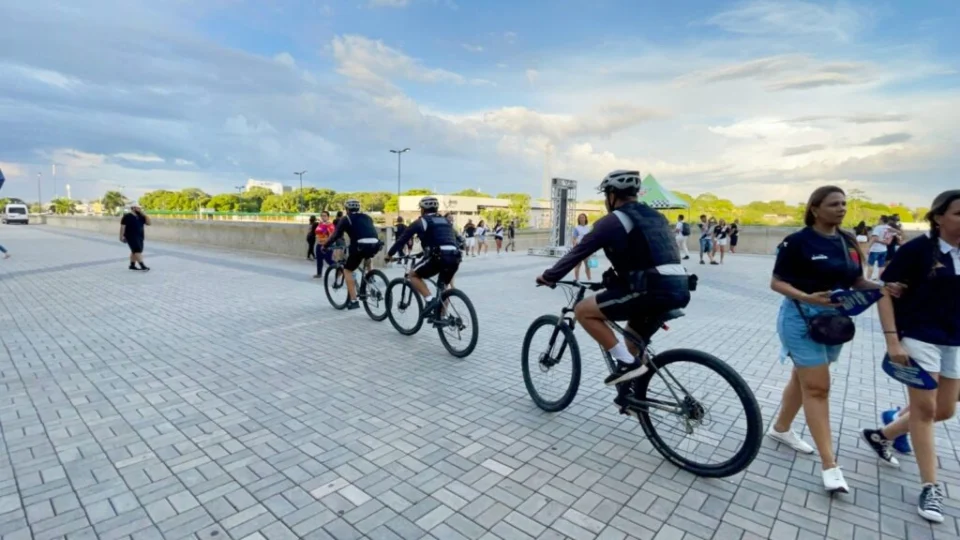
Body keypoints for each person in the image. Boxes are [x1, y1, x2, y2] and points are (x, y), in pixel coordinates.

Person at [766, 186, 885, 494]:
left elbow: (856, 280)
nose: (841, 208)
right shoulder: (797, 241)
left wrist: (884, 287)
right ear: (815, 209)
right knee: (818, 387)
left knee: (805, 377)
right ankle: (830, 464)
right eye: (834, 204)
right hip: (800, 317)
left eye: (844, 203)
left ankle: (780, 429)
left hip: (834, 321)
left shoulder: (847, 241)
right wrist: (807, 297)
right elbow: (776, 282)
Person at [536, 170, 690, 393]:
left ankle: (628, 364)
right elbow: (649, 253)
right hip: (679, 287)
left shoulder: (613, 221)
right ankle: (636, 399)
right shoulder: (656, 217)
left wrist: (548, 276)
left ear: (612, 195)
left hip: (649, 289)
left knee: (583, 310)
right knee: (632, 343)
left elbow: (577, 253)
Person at [860, 190, 960, 523]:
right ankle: (931, 487)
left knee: (945, 409)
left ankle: (881, 435)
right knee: (925, 409)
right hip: (919, 336)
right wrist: (892, 340)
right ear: (938, 217)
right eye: (959, 213)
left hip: (954, 340)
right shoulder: (918, 250)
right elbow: (884, 291)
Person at [387, 197, 462, 317]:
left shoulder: (421, 222)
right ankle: (441, 317)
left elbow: (402, 240)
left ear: (422, 209)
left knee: (413, 275)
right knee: (443, 288)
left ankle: (429, 300)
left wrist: (389, 254)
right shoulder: (445, 221)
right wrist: (424, 252)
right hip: (455, 256)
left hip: (438, 256)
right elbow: (452, 239)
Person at [322, 200, 382, 310]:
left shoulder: (346, 219)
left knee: (347, 270)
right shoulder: (367, 217)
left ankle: (354, 300)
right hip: (375, 244)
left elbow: (335, 235)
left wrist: (325, 246)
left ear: (346, 209)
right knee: (367, 256)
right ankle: (371, 276)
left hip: (360, 246)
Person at [120, 204, 151, 271]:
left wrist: (144, 215)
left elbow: (149, 223)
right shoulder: (127, 216)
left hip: (140, 236)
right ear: (133, 208)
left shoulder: (141, 216)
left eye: (140, 208)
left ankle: (132, 265)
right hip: (130, 236)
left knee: (134, 251)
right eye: (138, 208)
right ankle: (142, 266)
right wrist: (121, 236)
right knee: (137, 250)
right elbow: (123, 227)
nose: (140, 209)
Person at [866, 215, 891, 280]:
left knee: (870, 265)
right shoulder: (889, 228)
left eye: (879, 219)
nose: (878, 220)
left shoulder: (878, 227)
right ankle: (880, 279)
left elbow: (874, 238)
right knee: (881, 266)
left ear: (882, 220)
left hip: (875, 249)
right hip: (884, 249)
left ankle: (868, 279)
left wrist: (868, 247)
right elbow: (888, 240)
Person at [313, 211, 336, 279]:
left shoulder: (330, 225)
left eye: (325, 216)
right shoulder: (320, 224)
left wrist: (327, 244)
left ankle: (339, 269)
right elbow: (317, 233)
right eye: (322, 215)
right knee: (319, 260)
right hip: (319, 244)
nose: (323, 217)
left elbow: (331, 236)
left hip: (326, 245)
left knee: (328, 260)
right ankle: (319, 273)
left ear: (328, 217)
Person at [571, 213, 593, 281]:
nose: (581, 219)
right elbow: (574, 238)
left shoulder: (589, 228)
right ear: (578, 219)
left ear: (585, 219)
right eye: (580, 218)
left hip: (587, 248)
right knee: (578, 265)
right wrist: (575, 247)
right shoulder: (576, 228)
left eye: (583, 217)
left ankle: (589, 279)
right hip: (579, 248)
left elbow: (591, 238)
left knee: (588, 265)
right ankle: (577, 280)